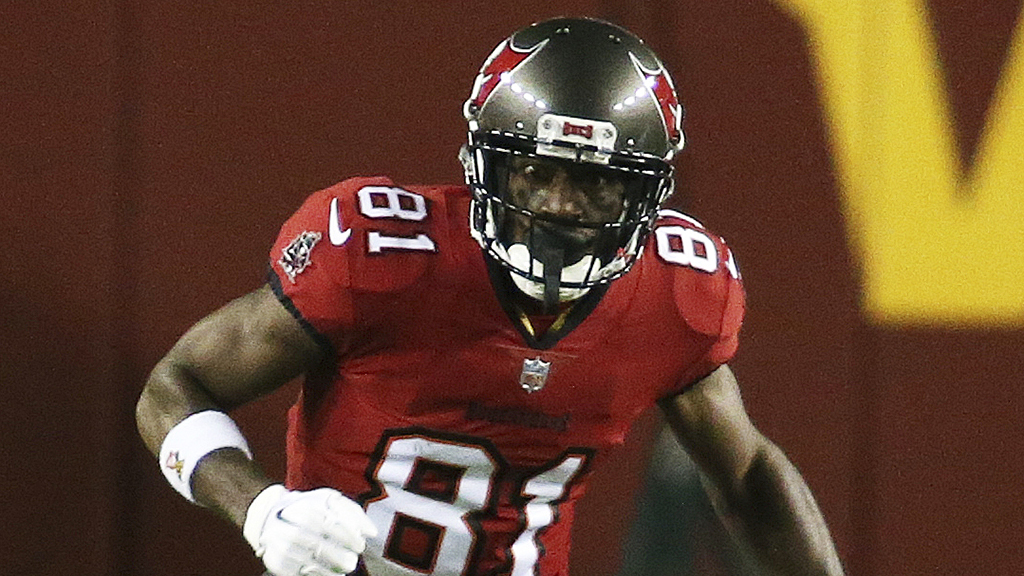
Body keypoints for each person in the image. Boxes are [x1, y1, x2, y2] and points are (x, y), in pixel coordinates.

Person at [136, 16, 844, 576]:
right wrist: (259, 510)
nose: (560, 206)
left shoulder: (678, 294)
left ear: (646, 194)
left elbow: (750, 477)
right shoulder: (378, 256)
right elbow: (174, 388)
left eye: (597, 181)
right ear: (484, 166)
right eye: (535, 172)